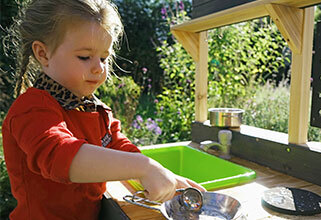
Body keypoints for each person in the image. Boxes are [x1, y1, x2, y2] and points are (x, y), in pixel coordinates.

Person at [1, 0, 205, 219]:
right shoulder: (31, 109)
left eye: (103, 58)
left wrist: (164, 176)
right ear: (43, 54)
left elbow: (119, 146)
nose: (99, 68)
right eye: (84, 57)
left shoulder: (94, 109)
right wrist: (143, 167)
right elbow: (59, 155)